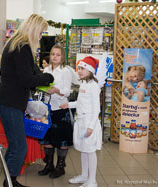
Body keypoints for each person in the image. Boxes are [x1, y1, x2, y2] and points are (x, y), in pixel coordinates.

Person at [0, 14, 54, 187]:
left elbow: (30, 71)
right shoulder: (22, 47)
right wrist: (47, 78)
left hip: (9, 100)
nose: (41, 36)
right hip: (11, 101)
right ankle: (10, 182)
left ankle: (10, 181)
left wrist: (41, 75)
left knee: (14, 145)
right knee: (19, 147)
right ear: (34, 29)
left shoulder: (16, 44)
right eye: (41, 32)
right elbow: (26, 80)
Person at [60, 56, 102, 187]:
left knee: (90, 151)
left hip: (89, 124)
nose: (79, 70)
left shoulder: (94, 86)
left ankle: (92, 180)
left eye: (83, 68)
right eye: (78, 68)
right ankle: (84, 176)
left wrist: (90, 127)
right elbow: (81, 103)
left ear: (90, 70)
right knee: (83, 150)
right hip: (81, 122)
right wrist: (69, 105)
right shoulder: (83, 84)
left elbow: (96, 109)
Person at [38, 44, 75, 179]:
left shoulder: (66, 71)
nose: (54, 57)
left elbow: (67, 91)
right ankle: (49, 164)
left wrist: (57, 91)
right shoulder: (46, 69)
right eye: (53, 54)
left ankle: (60, 166)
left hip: (60, 108)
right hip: (46, 108)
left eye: (58, 55)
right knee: (48, 137)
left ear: (62, 57)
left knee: (61, 139)